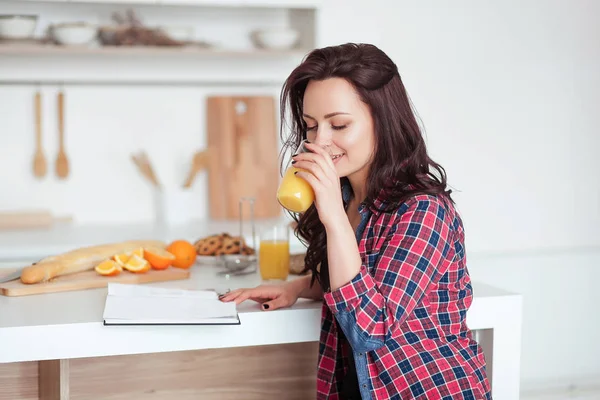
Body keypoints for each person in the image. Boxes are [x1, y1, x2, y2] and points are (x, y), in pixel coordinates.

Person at [220, 43, 491, 400]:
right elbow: (367, 275)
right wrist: (300, 287)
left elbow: (370, 328)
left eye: (339, 125)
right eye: (311, 126)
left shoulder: (424, 211)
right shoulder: (348, 197)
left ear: (384, 121)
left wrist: (332, 215)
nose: (321, 142)